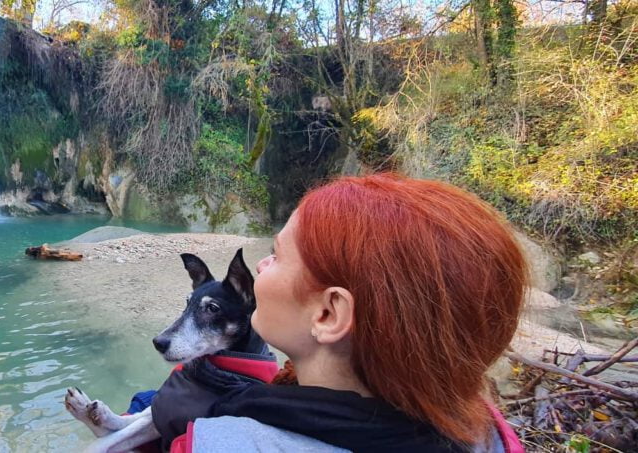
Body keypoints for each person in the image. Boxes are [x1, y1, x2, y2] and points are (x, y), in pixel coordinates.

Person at [169, 174, 527, 453]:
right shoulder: (484, 432)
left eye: (277, 256)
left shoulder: (225, 442)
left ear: (328, 314)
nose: (261, 265)